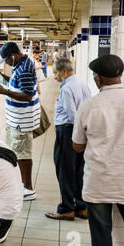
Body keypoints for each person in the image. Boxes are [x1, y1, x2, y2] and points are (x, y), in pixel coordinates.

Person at [72, 54, 124, 246]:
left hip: (98, 181)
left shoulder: (88, 106)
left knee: (100, 235)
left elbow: (77, 146)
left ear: (98, 78)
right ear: (120, 75)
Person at [0, 42, 40, 201]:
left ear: (13, 55)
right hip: (17, 119)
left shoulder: (25, 68)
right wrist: (3, 77)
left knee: (23, 155)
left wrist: (4, 91)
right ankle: (23, 185)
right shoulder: (21, 64)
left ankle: (28, 188)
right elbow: (18, 83)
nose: (6, 62)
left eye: (6, 59)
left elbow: (27, 95)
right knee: (19, 153)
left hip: (22, 121)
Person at [45, 58, 91, 221]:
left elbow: (73, 115)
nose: (55, 76)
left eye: (56, 72)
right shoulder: (83, 85)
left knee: (65, 170)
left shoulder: (67, 89)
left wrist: (76, 132)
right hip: (81, 132)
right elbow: (85, 111)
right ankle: (81, 206)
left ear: (64, 71)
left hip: (67, 132)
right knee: (79, 170)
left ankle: (66, 208)